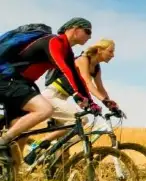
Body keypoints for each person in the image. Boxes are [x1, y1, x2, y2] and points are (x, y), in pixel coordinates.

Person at [0, 18, 100, 168]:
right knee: (45, 109)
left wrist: (89, 101)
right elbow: (65, 70)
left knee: (19, 139)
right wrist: (79, 96)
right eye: (88, 31)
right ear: (75, 29)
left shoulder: (67, 51)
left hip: (20, 84)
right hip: (8, 80)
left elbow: (77, 76)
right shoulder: (54, 41)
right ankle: (2, 143)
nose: (90, 36)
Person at [25, 39, 122, 164]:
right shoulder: (83, 60)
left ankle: (52, 169)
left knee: (65, 141)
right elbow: (87, 83)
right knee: (81, 120)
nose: (113, 55)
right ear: (99, 50)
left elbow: (100, 88)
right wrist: (102, 101)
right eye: (110, 51)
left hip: (62, 98)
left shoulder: (96, 67)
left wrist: (110, 104)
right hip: (52, 95)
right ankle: (38, 145)